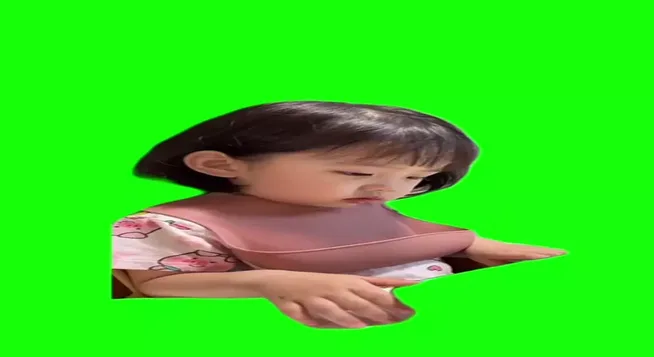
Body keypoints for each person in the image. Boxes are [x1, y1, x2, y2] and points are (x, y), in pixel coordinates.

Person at [112, 101, 566, 328]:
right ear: (221, 165)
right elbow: (154, 284)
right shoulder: (176, 224)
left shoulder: (361, 205)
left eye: (415, 178)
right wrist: (273, 282)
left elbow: (418, 239)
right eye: (356, 172)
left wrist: (485, 247)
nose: (388, 190)